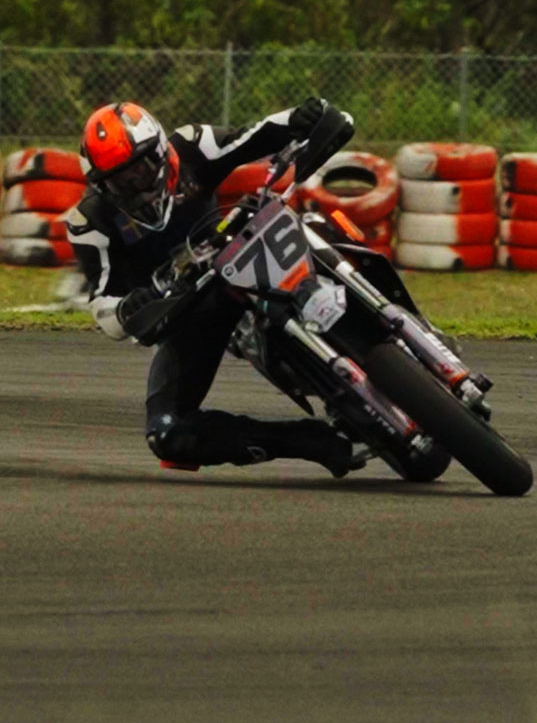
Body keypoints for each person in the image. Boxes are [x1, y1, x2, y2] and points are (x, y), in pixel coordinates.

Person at [66, 98, 365, 477]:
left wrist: (300, 119)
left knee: (319, 225)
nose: (135, 185)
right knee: (167, 435)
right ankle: (304, 440)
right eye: (120, 181)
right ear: (100, 185)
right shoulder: (89, 222)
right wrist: (128, 307)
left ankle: (394, 321)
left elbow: (255, 135)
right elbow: (102, 305)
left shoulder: (191, 144)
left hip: (243, 248)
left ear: (160, 151)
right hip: (189, 306)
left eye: (140, 169)